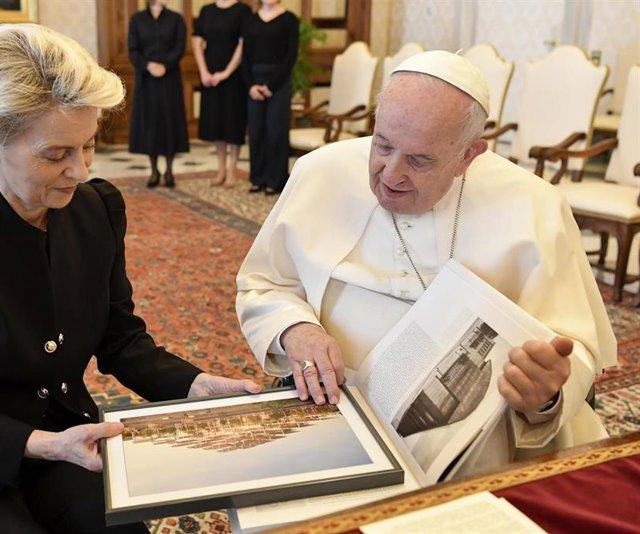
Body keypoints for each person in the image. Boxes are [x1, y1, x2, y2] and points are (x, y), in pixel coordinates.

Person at [0, 24, 260, 534]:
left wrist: (193, 384)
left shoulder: (96, 210)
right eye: (56, 154)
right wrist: (43, 445)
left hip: (62, 436)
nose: (79, 171)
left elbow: (120, 339)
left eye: (89, 145)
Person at [236, 51, 617, 477]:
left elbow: (573, 350)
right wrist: (295, 330)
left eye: (419, 160)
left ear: (468, 155)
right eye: (382, 145)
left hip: (482, 445)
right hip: (333, 408)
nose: (390, 175)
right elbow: (262, 284)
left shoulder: (534, 206)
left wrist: (545, 394)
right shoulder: (319, 172)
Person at [128, 0, 189, 189]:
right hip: (146, 80)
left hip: (170, 79)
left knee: (170, 122)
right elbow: (133, 49)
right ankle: (154, 171)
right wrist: (148, 65)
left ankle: (169, 171)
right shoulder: (137, 19)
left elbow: (180, 46)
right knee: (150, 123)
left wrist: (165, 65)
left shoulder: (176, 19)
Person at [192, 0, 251, 188]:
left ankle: (232, 170)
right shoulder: (207, 10)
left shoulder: (243, 10)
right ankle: (221, 169)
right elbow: (197, 41)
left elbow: (243, 45)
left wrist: (226, 73)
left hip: (235, 75)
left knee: (233, 122)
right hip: (210, 72)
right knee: (216, 123)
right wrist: (203, 72)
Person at [241, 0, 298, 195]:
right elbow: (245, 57)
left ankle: (276, 180)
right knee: (256, 131)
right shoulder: (250, 20)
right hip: (254, 82)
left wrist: (271, 86)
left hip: (279, 83)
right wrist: (251, 85)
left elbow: (291, 56)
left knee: (276, 131)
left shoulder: (289, 19)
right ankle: (257, 178)